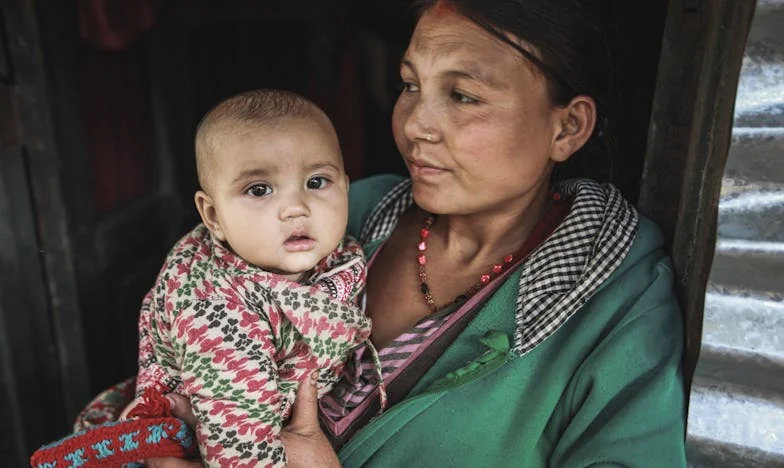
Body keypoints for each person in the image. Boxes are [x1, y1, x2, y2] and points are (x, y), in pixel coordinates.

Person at [76, 0, 688, 466]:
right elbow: (198, 331)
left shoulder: (615, 300)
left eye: (464, 96)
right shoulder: (348, 215)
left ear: (568, 127)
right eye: (410, 85)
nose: (415, 124)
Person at [121, 89, 381, 467]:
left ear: (345, 185)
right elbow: (239, 452)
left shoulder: (334, 251)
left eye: (317, 182)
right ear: (213, 217)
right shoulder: (216, 313)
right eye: (259, 189)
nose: (296, 207)